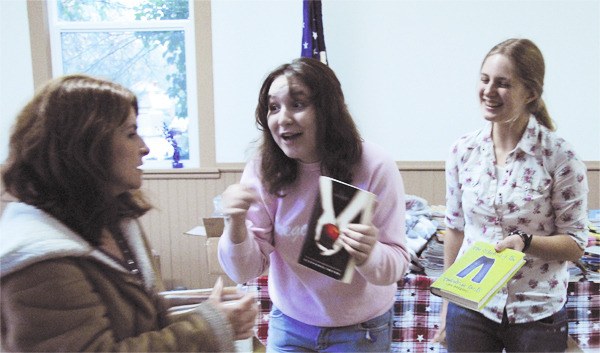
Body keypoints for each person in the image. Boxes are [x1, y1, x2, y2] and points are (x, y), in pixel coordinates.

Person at [0, 74, 257, 352]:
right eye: (131, 133)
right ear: (86, 147)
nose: (144, 148)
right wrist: (210, 325)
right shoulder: (40, 263)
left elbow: (129, 316)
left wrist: (207, 309)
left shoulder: (114, 220)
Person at [217, 57, 410, 352]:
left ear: (327, 111)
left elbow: (396, 265)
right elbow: (244, 271)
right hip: (290, 323)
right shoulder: (262, 169)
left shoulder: (375, 165)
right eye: (273, 107)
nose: (282, 118)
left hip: (361, 329)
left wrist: (369, 254)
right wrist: (234, 225)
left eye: (297, 104)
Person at [434, 38, 589, 352]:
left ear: (530, 93)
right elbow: (455, 229)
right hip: (471, 308)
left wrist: (526, 242)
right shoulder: (463, 151)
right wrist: (447, 304)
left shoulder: (559, 157)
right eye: (485, 79)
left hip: (535, 312)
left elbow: (575, 245)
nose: (489, 91)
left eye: (503, 84)